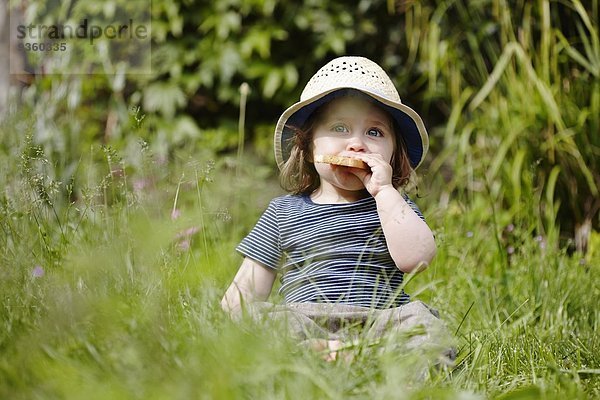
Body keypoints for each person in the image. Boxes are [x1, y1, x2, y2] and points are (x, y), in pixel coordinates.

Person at [221, 56, 454, 365]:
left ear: (393, 154)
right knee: (265, 324)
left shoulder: (392, 206)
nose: (357, 144)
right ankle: (338, 357)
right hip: (305, 320)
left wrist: (384, 193)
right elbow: (243, 296)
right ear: (307, 146)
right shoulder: (283, 211)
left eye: (375, 132)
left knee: (424, 329)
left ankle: (353, 357)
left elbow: (418, 259)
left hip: (380, 323)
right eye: (340, 128)